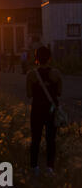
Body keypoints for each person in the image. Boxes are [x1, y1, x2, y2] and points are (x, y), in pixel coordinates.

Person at [26, 46, 62, 176]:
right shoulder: (56, 74)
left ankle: (34, 167)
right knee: (51, 139)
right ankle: (50, 168)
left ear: (36, 58)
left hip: (36, 109)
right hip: (51, 110)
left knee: (35, 138)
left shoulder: (31, 74)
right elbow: (59, 92)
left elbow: (29, 94)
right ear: (49, 58)